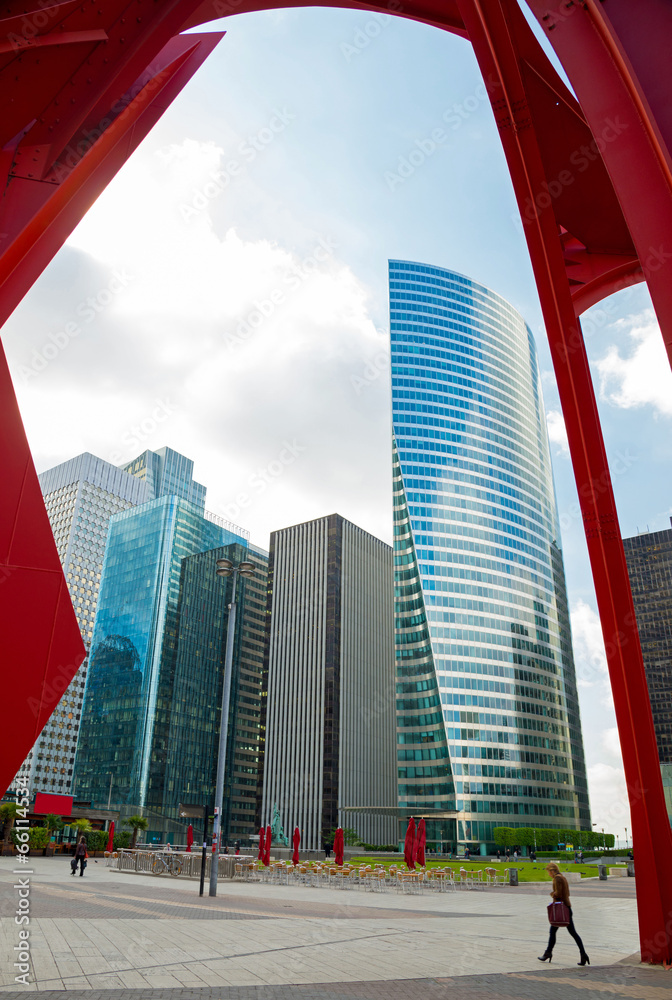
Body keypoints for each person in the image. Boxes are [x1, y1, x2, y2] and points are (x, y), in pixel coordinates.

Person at [538, 862, 589, 966]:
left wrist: (552, 894)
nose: (548, 874)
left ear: (552, 871)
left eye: (548, 871)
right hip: (567, 908)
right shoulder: (562, 877)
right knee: (569, 932)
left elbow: (558, 894)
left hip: (561, 910)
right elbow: (567, 893)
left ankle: (548, 953)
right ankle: (583, 955)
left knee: (557, 931)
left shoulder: (557, 878)